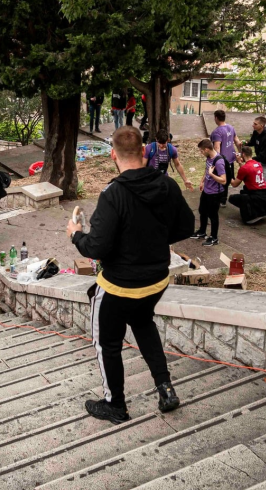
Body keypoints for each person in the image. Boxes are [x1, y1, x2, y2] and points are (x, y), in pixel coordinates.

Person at [66, 125, 191, 423]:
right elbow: (186, 226)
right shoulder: (167, 185)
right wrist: (156, 238)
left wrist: (75, 234)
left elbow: (96, 247)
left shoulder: (113, 194)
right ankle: (165, 388)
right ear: (145, 153)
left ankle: (115, 404)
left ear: (113, 155)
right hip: (156, 280)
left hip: (118, 287)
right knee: (143, 323)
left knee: (107, 344)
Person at [191, 139, 226, 246]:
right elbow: (207, 170)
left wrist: (211, 175)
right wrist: (202, 181)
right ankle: (202, 231)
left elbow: (223, 180)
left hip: (215, 193)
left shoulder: (219, 162)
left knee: (213, 215)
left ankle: (214, 238)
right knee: (202, 211)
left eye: (201, 151)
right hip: (207, 190)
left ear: (206, 149)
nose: (201, 153)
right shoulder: (208, 158)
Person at [228, 146, 266, 224]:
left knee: (232, 198)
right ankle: (260, 211)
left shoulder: (245, 168)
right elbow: (247, 170)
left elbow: (234, 184)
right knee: (244, 190)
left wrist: (227, 174)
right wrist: (240, 162)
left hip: (256, 195)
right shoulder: (258, 164)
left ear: (243, 154)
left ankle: (251, 215)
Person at [210, 110, 237, 207]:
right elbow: (237, 141)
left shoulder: (217, 132)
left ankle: (219, 199)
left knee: (220, 179)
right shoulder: (231, 127)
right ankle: (223, 200)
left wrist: (216, 161)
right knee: (227, 179)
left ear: (216, 118)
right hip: (231, 159)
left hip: (222, 160)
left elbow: (217, 147)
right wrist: (240, 154)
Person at [246, 115, 266, 187]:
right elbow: (252, 142)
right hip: (261, 162)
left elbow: (263, 156)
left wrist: (249, 159)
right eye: (253, 123)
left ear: (261, 125)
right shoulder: (256, 132)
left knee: (262, 185)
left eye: (255, 124)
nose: (253, 125)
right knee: (257, 182)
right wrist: (245, 143)